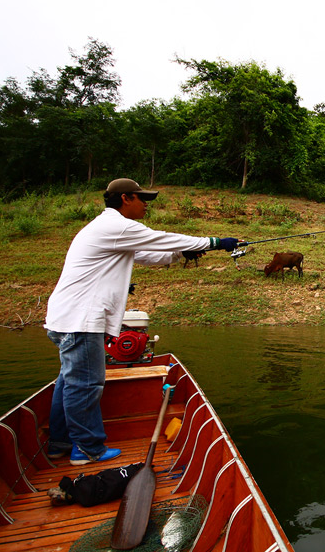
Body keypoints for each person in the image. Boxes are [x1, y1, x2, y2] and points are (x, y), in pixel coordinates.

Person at [44, 178, 239, 465]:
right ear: (125, 198)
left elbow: (149, 255)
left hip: (70, 318)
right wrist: (215, 243)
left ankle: (59, 443)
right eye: (142, 198)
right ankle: (87, 449)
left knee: (69, 383)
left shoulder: (110, 229)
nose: (146, 203)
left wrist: (179, 254)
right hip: (81, 320)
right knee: (85, 385)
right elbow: (162, 239)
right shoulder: (117, 225)